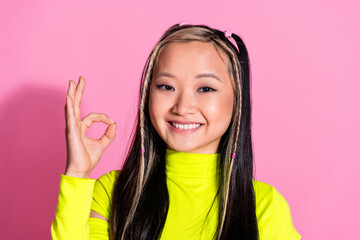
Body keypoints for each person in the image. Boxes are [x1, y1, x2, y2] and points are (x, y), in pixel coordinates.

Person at [51, 22, 301, 240]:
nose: (183, 107)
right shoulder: (111, 191)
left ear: (237, 101)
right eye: (166, 87)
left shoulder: (264, 206)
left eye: (205, 89)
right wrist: (77, 173)